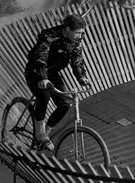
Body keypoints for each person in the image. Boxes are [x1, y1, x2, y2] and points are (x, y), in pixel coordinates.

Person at [24, 14, 89, 149]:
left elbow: (77, 58)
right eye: (78, 33)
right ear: (67, 29)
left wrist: (81, 76)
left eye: (82, 33)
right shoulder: (49, 37)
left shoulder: (75, 40)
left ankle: (45, 133)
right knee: (44, 95)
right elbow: (40, 57)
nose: (80, 36)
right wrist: (43, 77)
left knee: (64, 104)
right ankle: (39, 133)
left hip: (52, 73)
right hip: (36, 71)